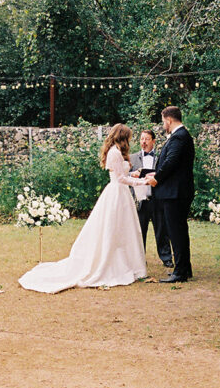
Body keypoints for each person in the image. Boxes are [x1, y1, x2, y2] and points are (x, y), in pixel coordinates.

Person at [20, 124, 149, 293]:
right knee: (113, 229)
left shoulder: (116, 152)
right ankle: (112, 264)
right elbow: (120, 179)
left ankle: (127, 263)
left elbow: (123, 175)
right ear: (123, 137)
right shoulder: (114, 153)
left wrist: (134, 175)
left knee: (125, 230)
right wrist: (143, 182)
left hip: (122, 194)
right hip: (117, 193)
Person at [145, 107, 196, 283]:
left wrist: (157, 178)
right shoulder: (181, 136)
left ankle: (180, 272)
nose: (163, 125)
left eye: (163, 121)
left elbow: (171, 162)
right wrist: (155, 173)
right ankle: (184, 268)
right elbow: (171, 164)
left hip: (176, 193)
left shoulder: (179, 136)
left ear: (168, 120)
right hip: (176, 191)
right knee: (179, 231)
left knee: (176, 232)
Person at [129, 129, 173, 267]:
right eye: (142, 139)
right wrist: (133, 174)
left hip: (157, 198)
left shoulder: (161, 157)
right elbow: (125, 174)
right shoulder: (132, 158)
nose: (144, 142)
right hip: (140, 200)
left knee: (161, 230)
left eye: (147, 139)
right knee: (139, 230)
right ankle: (139, 259)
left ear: (153, 141)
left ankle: (166, 258)